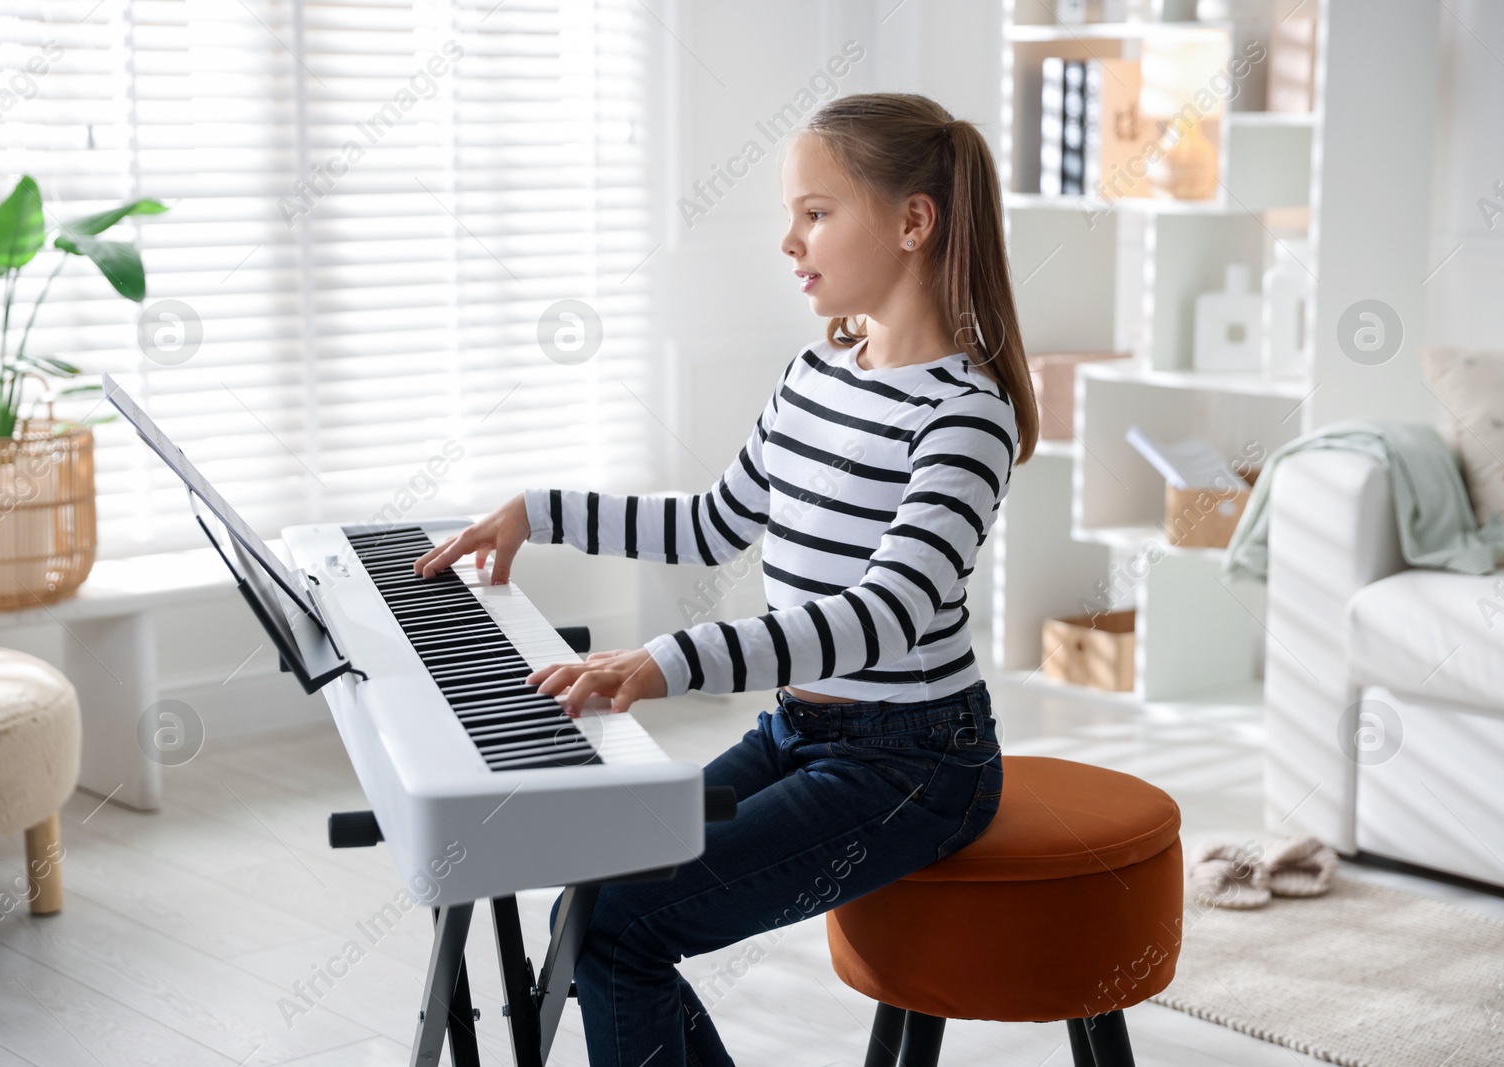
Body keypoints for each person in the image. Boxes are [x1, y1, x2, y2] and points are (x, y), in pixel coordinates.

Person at [411, 91, 1041, 1067]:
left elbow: (882, 615)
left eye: (816, 212)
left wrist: (668, 660)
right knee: (598, 901)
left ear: (914, 222)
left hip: (915, 762)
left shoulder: (966, 414)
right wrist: (541, 509)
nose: (789, 241)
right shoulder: (815, 372)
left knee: (620, 927)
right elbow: (716, 522)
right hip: (801, 726)